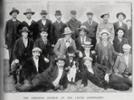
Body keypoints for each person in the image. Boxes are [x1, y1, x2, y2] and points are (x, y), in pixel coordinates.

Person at [5, 7, 21, 73]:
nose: (14, 14)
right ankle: (10, 70)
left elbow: (20, 34)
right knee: (11, 57)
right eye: (13, 13)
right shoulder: (8, 22)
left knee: (17, 56)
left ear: (17, 14)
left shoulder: (19, 23)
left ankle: (16, 70)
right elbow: (5, 33)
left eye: (16, 13)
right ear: (11, 14)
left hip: (17, 43)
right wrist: (5, 43)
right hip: (10, 43)